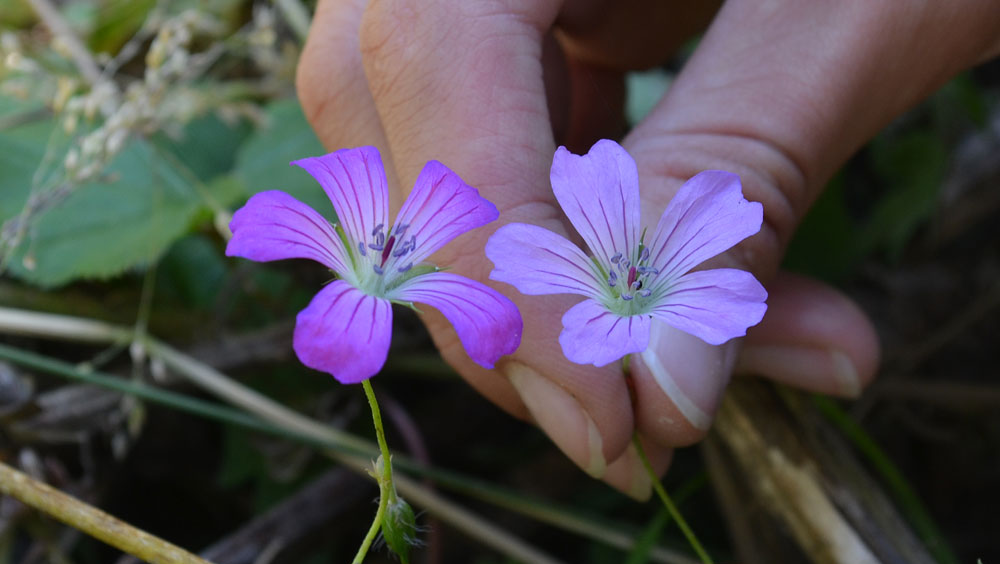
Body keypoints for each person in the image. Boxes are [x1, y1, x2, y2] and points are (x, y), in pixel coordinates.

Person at [295, 0, 1000, 498]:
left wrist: (755, 148)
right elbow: (532, 266)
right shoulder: (585, 282)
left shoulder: (640, 276)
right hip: (605, 291)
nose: (627, 281)